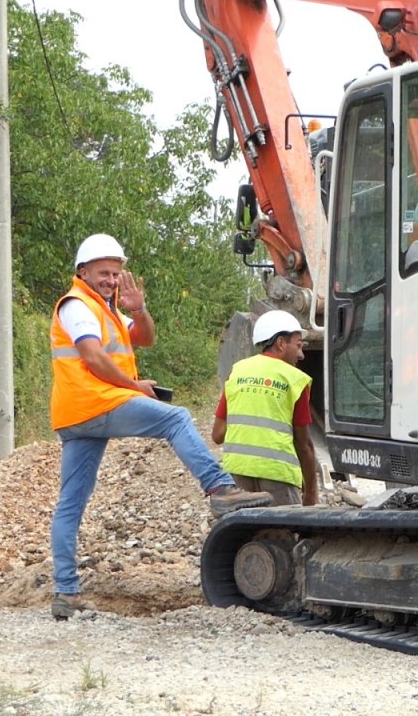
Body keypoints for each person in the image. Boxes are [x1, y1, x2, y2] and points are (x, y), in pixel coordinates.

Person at [49, 233, 272, 620]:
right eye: (104, 273)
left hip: (76, 414)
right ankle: (219, 487)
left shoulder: (104, 308)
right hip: (95, 402)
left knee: (71, 504)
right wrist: (135, 387)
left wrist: (139, 311)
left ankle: (65, 593)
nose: (112, 280)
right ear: (82, 271)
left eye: (116, 274)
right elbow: (92, 355)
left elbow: (145, 339)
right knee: (176, 418)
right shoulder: (77, 306)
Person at [212, 310, 318, 506]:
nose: (302, 354)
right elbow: (304, 446)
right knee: (284, 533)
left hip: (237, 473)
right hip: (278, 474)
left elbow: (217, 435)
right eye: (298, 345)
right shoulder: (295, 379)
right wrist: (311, 494)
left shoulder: (237, 372)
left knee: (245, 533)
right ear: (280, 343)